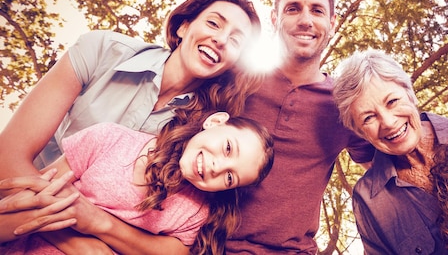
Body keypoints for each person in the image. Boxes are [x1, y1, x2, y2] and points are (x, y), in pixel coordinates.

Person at [0, 0, 263, 253]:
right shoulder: (101, 50)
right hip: (22, 206)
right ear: (183, 26)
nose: (220, 39)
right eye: (213, 23)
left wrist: (98, 229)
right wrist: (79, 242)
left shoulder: (198, 139)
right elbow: (7, 158)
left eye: (236, 41)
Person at [225, 0, 375, 253]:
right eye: (293, 8)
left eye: (317, 10)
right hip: (209, 245)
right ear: (275, 18)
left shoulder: (344, 104)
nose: (305, 20)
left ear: (332, 23)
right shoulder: (236, 80)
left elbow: (387, 172)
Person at [0, 110, 274, 254]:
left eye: (229, 177)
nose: (217, 167)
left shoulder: (195, 212)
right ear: (215, 122)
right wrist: (80, 239)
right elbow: (23, 207)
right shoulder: (109, 139)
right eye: (228, 148)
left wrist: (98, 223)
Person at [332, 49, 448, 254]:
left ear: (410, 94)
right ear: (359, 131)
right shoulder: (369, 200)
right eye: (368, 118)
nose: (388, 122)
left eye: (392, 101)